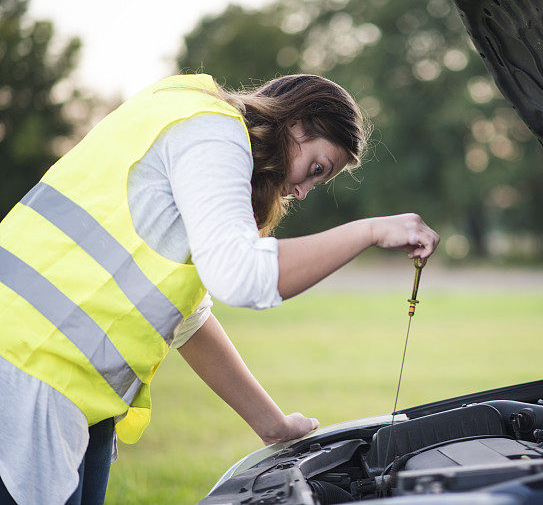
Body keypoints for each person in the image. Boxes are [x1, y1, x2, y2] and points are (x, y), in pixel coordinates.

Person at [0, 73, 439, 504]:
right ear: (298, 124)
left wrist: (273, 425)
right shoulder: (213, 130)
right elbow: (242, 276)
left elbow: (188, 320)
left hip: (67, 390)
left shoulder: (181, 112)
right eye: (316, 168)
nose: (303, 191)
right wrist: (368, 232)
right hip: (24, 369)